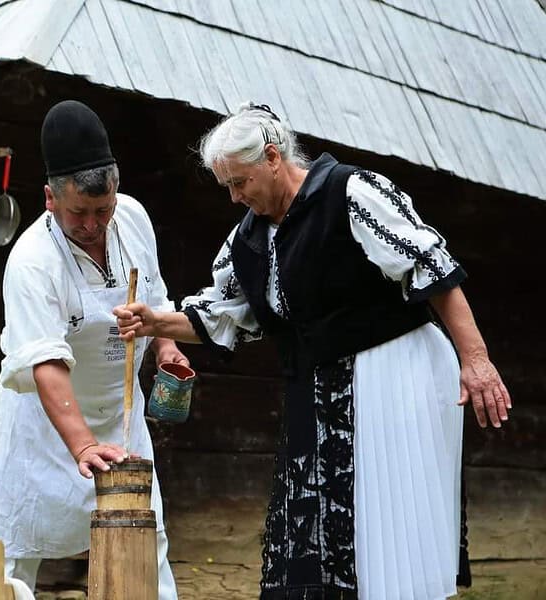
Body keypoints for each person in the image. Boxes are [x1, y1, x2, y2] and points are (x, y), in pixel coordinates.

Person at [114, 102, 512, 600]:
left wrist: (476, 361)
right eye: (228, 187)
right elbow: (224, 313)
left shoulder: (349, 193)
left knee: (385, 525)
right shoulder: (249, 239)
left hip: (396, 375)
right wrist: (156, 322)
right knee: (314, 535)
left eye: (241, 182)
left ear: (274, 158)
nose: (236, 197)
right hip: (319, 392)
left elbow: (430, 267)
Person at [0, 100, 187, 598]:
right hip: (42, 426)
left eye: (101, 210)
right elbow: (45, 363)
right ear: (49, 198)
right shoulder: (31, 262)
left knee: (147, 546)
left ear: (116, 190)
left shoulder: (132, 219)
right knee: (8, 555)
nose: (92, 224)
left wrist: (167, 345)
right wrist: (82, 445)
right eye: (78, 213)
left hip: (120, 420)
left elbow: (154, 294)